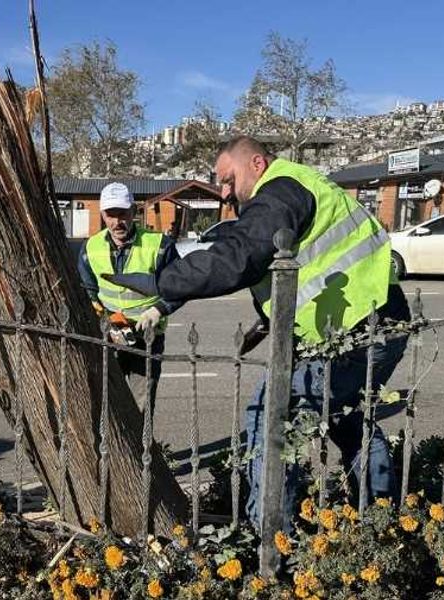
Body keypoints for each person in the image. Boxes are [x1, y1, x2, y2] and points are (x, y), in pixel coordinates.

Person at [107, 136, 411, 528]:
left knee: (268, 415)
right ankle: (380, 517)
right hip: (372, 321)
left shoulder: (280, 189)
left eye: (228, 179)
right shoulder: (297, 187)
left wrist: (165, 282)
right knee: (344, 417)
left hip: (358, 332)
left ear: (256, 163)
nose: (225, 191)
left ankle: (270, 537)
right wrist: (267, 322)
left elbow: (240, 256)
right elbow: (303, 266)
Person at [77, 182, 184, 411]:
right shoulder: (90, 248)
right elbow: (88, 291)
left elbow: (182, 287)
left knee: (141, 406)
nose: (117, 222)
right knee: (105, 404)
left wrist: (160, 309)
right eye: (111, 214)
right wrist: (104, 318)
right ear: (103, 214)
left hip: (147, 337)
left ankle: (140, 447)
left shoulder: (160, 246)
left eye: (123, 213)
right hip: (110, 337)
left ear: (134, 212)